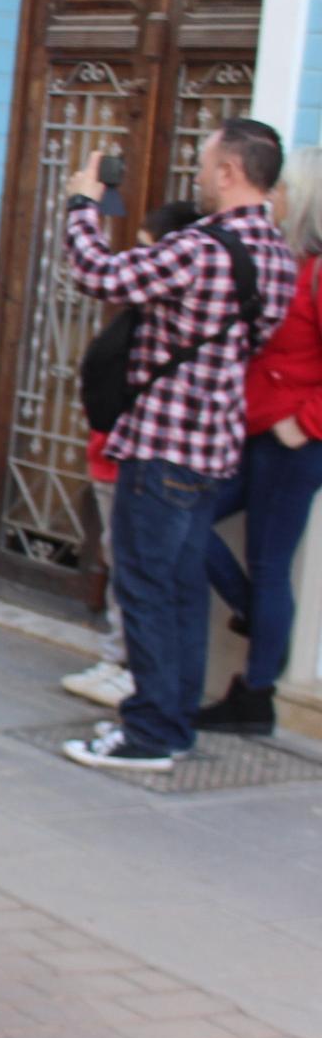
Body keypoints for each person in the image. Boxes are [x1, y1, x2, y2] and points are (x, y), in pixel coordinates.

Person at [60, 123, 298, 773]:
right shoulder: (277, 255)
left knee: (145, 588)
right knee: (183, 590)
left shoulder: (203, 248)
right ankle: (175, 721)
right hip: (212, 445)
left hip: (162, 445)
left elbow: (97, 273)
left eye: (204, 161)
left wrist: (83, 203)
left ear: (229, 171)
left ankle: (150, 731)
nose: (196, 172)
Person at [198, 146, 322, 735]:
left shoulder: (319, 272)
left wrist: (305, 424)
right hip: (252, 433)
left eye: (286, 188)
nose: (275, 196)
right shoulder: (288, 261)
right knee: (189, 520)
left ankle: (256, 695)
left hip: (292, 444)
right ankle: (257, 617)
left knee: (269, 566)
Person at [60, 200, 203, 709]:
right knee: (125, 562)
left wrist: (81, 206)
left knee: (141, 573)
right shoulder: (143, 317)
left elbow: (98, 273)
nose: (141, 261)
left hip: (144, 458)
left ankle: (132, 674)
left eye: (148, 249)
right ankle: (127, 668)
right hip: (118, 451)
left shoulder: (165, 315)